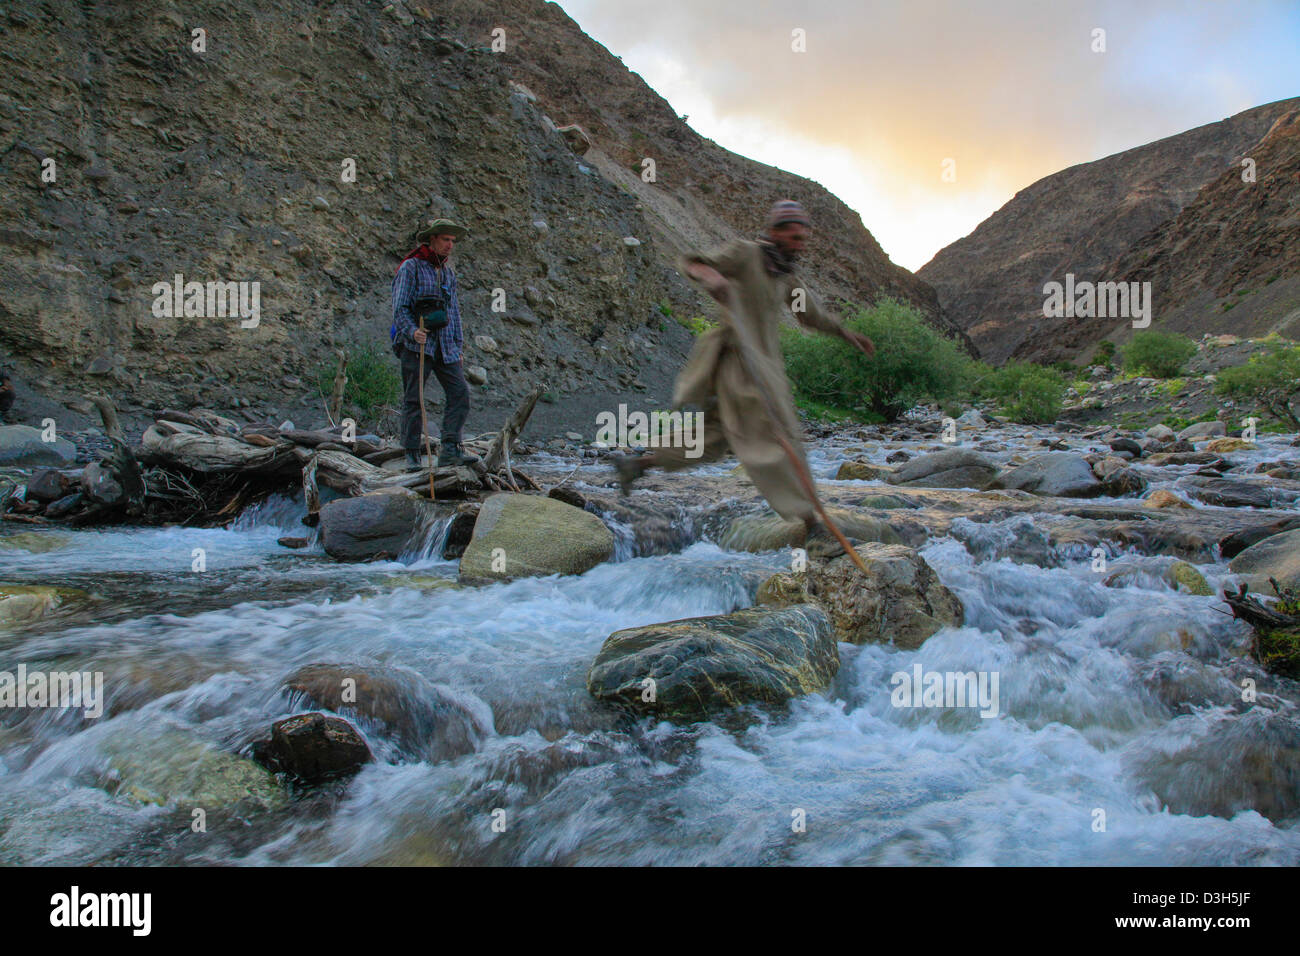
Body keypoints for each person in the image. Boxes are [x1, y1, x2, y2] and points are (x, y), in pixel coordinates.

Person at [614, 199, 876, 557]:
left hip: (761, 369)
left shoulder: (786, 279)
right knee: (779, 437)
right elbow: (693, 263)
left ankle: (639, 464)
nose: (799, 244)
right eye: (794, 236)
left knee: (718, 439)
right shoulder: (745, 254)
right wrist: (714, 277)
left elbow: (810, 316)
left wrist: (848, 335)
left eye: (803, 238)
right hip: (741, 365)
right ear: (774, 231)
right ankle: (812, 525)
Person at [391, 218, 478, 469]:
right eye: (446, 239)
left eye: (453, 240)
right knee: (414, 398)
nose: (450, 245)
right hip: (417, 344)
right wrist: (411, 332)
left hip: (445, 347)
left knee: (460, 393)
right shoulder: (411, 267)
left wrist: (457, 347)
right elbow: (399, 306)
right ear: (432, 239)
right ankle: (411, 453)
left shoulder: (448, 273)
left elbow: (454, 313)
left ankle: (450, 448)